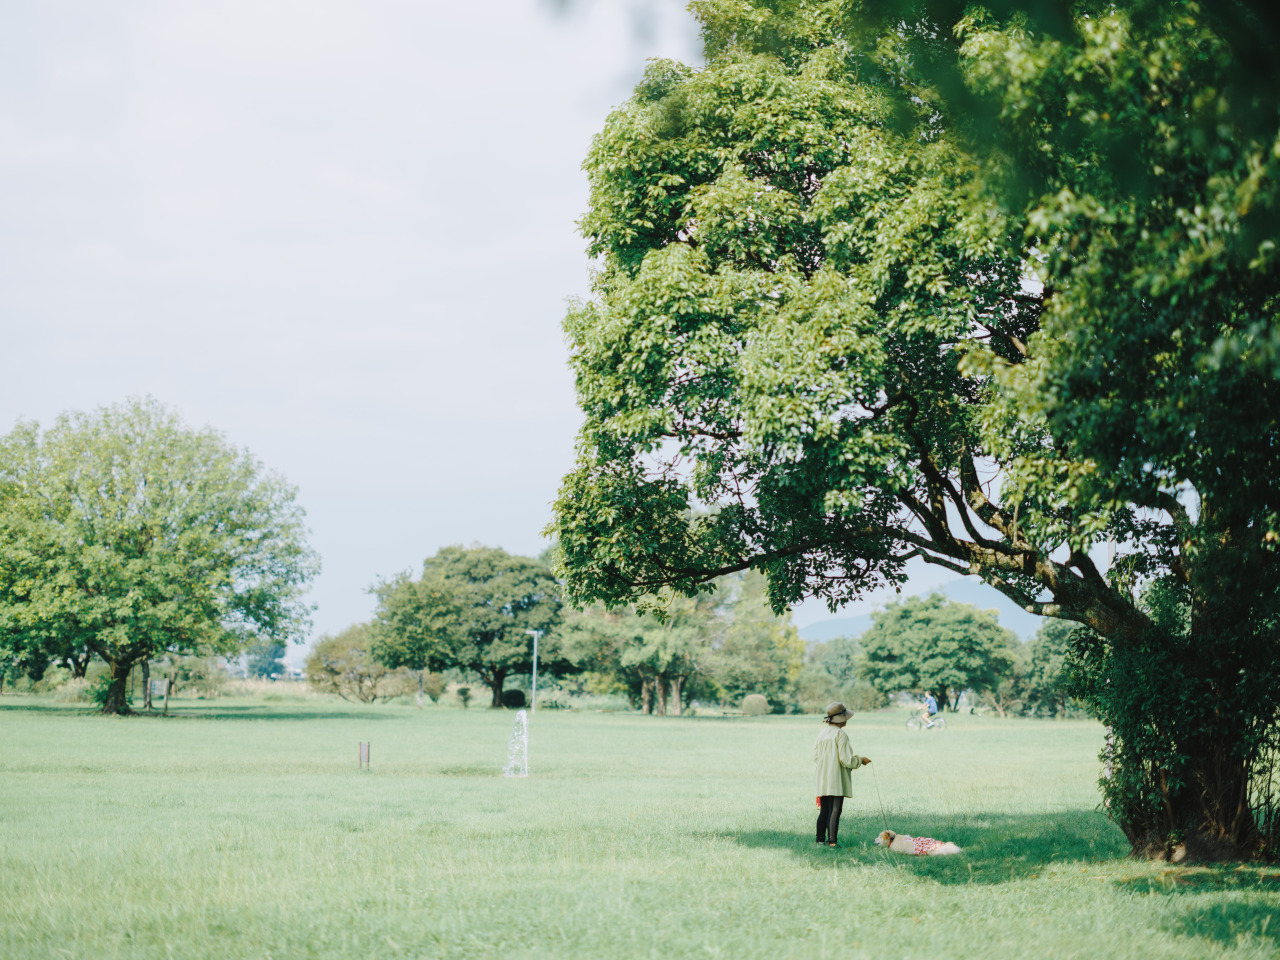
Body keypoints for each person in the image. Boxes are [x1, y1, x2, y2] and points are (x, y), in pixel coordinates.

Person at [813, 701, 871, 848]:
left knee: (824, 810)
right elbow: (847, 760)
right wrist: (860, 760)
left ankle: (819, 840)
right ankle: (832, 842)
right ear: (841, 718)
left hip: (822, 777)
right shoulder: (841, 735)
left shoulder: (822, 733)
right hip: (836, 778)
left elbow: (815, 757)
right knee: (835, 810)